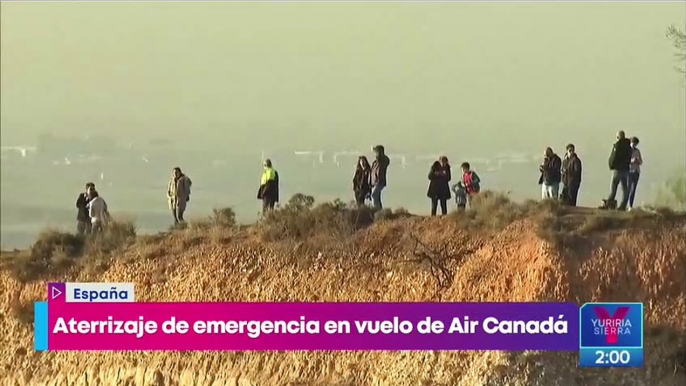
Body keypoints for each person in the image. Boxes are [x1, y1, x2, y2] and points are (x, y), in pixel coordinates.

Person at [603, 131, 632, 210]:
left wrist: (611, 165)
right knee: (624, 187)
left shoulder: (618, 145)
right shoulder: (628, 146)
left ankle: (610, 202)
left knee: (613, 186)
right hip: (625, 169)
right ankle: (623, 204)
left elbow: (614, 157)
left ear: (618, 137)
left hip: (618, 169)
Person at [370, 145, 390, 210]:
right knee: (377, 197)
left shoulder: (383, 160)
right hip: (375, 182)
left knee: (374, 195)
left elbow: (385, 161)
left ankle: (376, 210)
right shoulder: (375, 162)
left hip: (380, 181)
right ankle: (379, 210)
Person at [627, 136, 643, 210]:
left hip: (636, 171)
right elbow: (625, 161)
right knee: (628, 189)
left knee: (633, 190)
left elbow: (641, 161)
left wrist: (637, 161)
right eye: (633, 144)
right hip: (629, 171)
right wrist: (632, 161)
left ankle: (630, 206)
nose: (634, 145)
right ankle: (624, 205)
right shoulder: (627, 151)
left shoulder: (637, 151)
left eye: (635, 144)